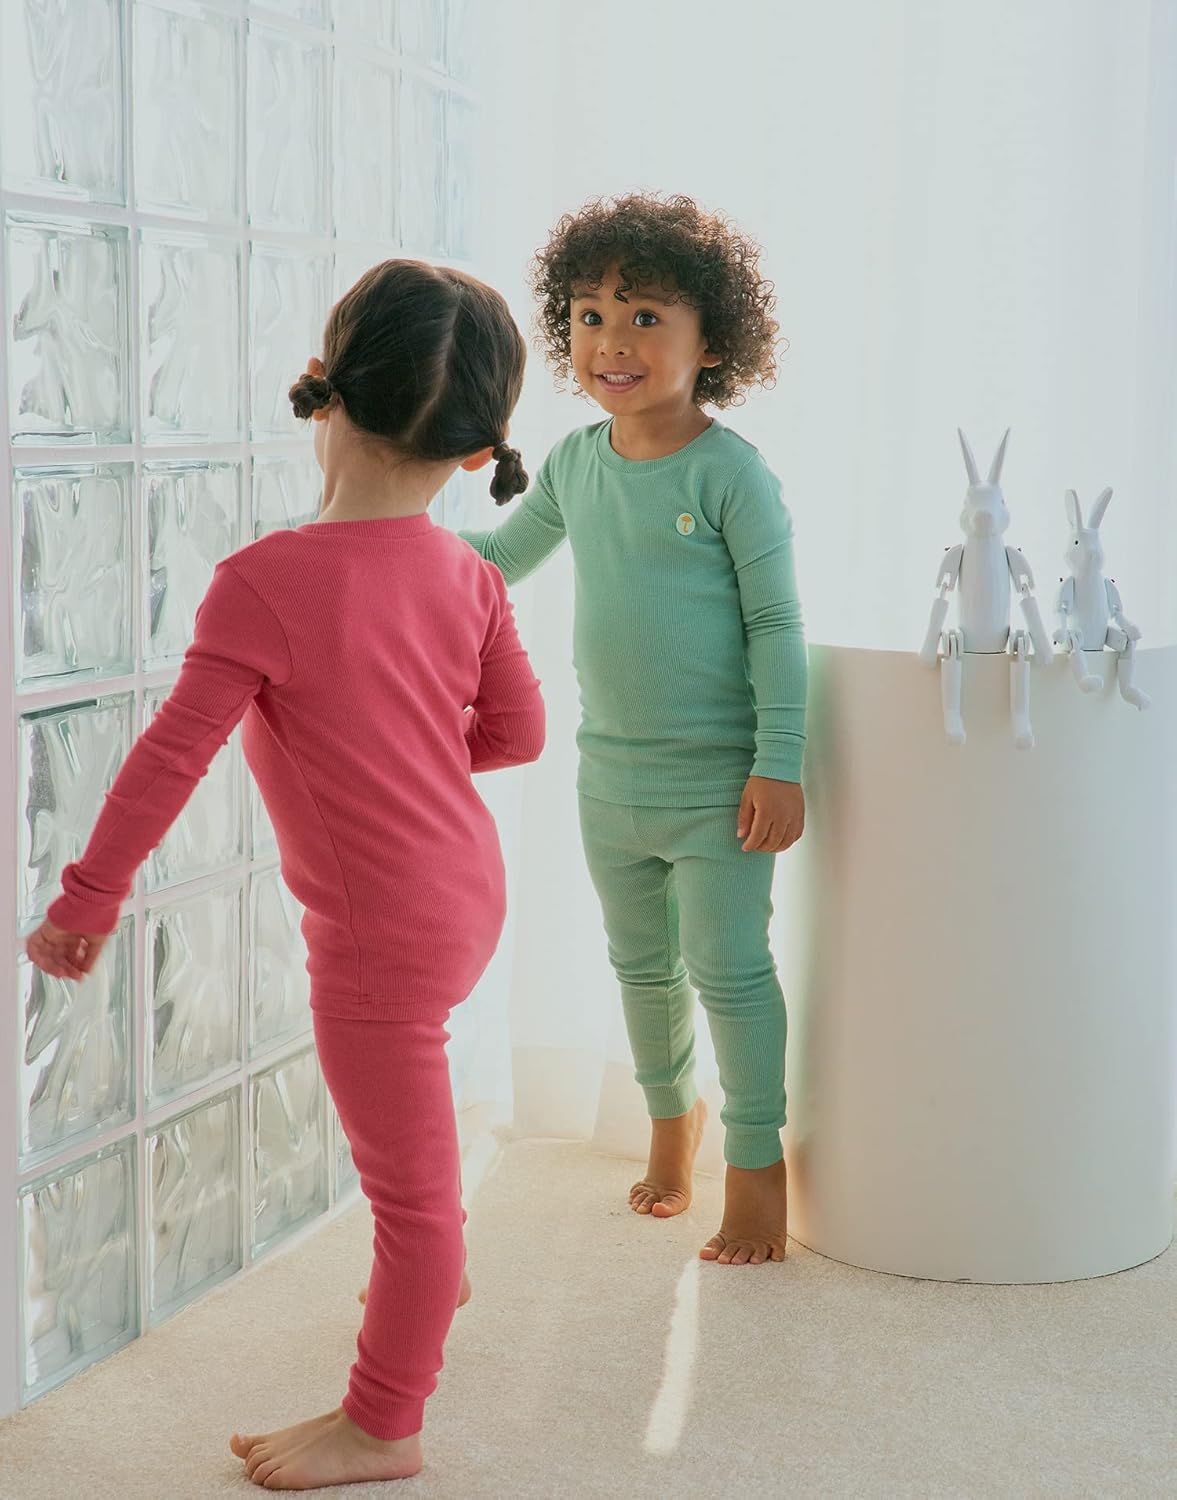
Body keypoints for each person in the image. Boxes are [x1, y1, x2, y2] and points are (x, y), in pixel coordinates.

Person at [25, 259, 545, 1489]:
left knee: (411, 1201)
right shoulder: (470, 573)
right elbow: (517, 736)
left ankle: (384, 1422)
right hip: (468, 893)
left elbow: (171, 758)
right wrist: (406, 751)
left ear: (326, 387)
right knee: (420, 1154)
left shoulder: (265, 582)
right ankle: (436, 1266)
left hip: (380, 935)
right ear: (478, 451)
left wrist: (86, 900)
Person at [461, 193, 807, 1267]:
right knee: (641, 968)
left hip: (719, 787)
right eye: (590, 316)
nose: (611, 341)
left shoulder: (730, 474)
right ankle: (670, 1126)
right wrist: (384, 541)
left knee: (728, 970)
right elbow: (496, 563)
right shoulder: (574, 463)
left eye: (645, 317)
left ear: (715, 342)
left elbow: (775, 624)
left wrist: (779, 763)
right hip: (607, 778)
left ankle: (756, 1163)